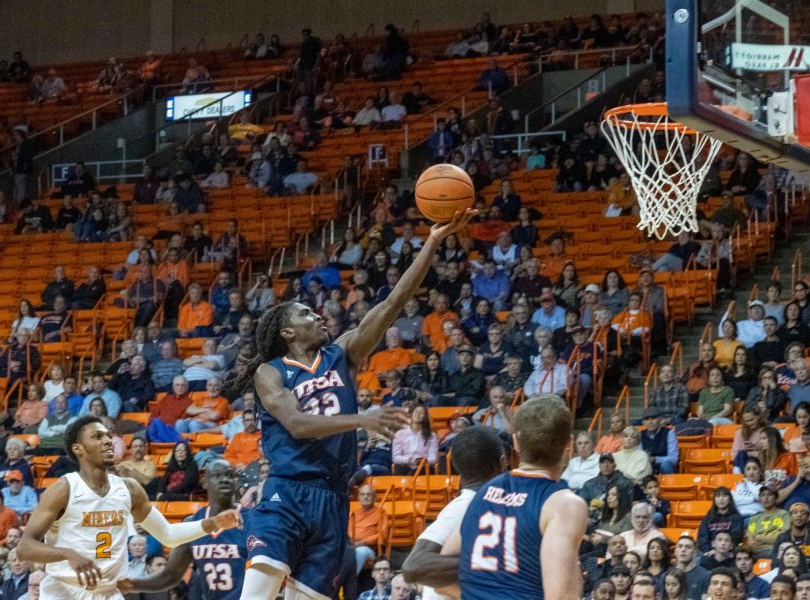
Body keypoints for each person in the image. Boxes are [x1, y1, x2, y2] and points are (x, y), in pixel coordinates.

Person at [243, 210, 473, 599]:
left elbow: (394, 302)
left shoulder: (342, 352)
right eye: (305, 313)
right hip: (288, 493)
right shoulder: (271, 371)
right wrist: (361, 419)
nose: (317, 314)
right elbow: (297, 424)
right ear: (286, 331)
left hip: (333, 499)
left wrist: (431, 242)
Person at [15, 416, 240, 599]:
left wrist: (212, 523)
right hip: (64, 591)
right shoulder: (63, 489)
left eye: (108, 436)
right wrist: (67, 553)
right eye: (97, 437)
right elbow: (24, 548)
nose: (107, 440)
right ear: (79, 449)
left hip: (108, 592)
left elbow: (168, 536)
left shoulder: (129, 489)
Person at [447, 395, 587, 599]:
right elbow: (561, 596)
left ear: (516, 442)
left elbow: (438, 577)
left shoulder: (485, 490)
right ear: (569, 444)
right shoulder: (564, 504)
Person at [402, 427, 505, 600]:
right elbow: (414, 566)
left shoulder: (481, 503)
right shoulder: (464, 506)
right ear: (503, 463)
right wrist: (492, 563)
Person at [117, 460, 245, 599]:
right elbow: (170, 575)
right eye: (217, 475)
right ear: (205, 483)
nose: (224, 480)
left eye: (229, 475)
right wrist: (130, 585)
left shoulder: (253, 520)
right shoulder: (193, 524)